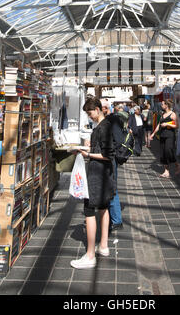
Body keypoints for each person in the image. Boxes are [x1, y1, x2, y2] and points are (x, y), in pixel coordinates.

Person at [70, 97, 115, 269]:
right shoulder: (104, 126)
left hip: (97, 176)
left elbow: (107, 155)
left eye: (90, 113)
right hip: (105, 175)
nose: (89, 117)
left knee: (89, 211)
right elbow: (103, 151)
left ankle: (90, 255)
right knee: (103, 208)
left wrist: (87, 154)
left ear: (97, 109)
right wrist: (87, 149)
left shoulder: (103, 127)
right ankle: (103, 246)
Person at [101, 99, 124, 232]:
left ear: (104, 108)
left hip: (110, 158)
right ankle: (112, 217)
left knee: (112, 187)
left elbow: (118, 140)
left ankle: (116, 220)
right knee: (109, 186)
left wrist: (108, 150)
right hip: (108, 157)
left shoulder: (113, 120)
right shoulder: (109, 120)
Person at [150, 99, 180, 178]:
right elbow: (158, 125)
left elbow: (177, 126)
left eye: (163, 104)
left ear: (167, 105)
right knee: (163, 153)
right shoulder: (162, 114)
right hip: (162, 135)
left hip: (170, 135)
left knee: (168, 151)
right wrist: (153, 134)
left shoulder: (173, 114)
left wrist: (167, 124)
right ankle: (166, 171)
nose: (161, 105)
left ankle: (177, 164)